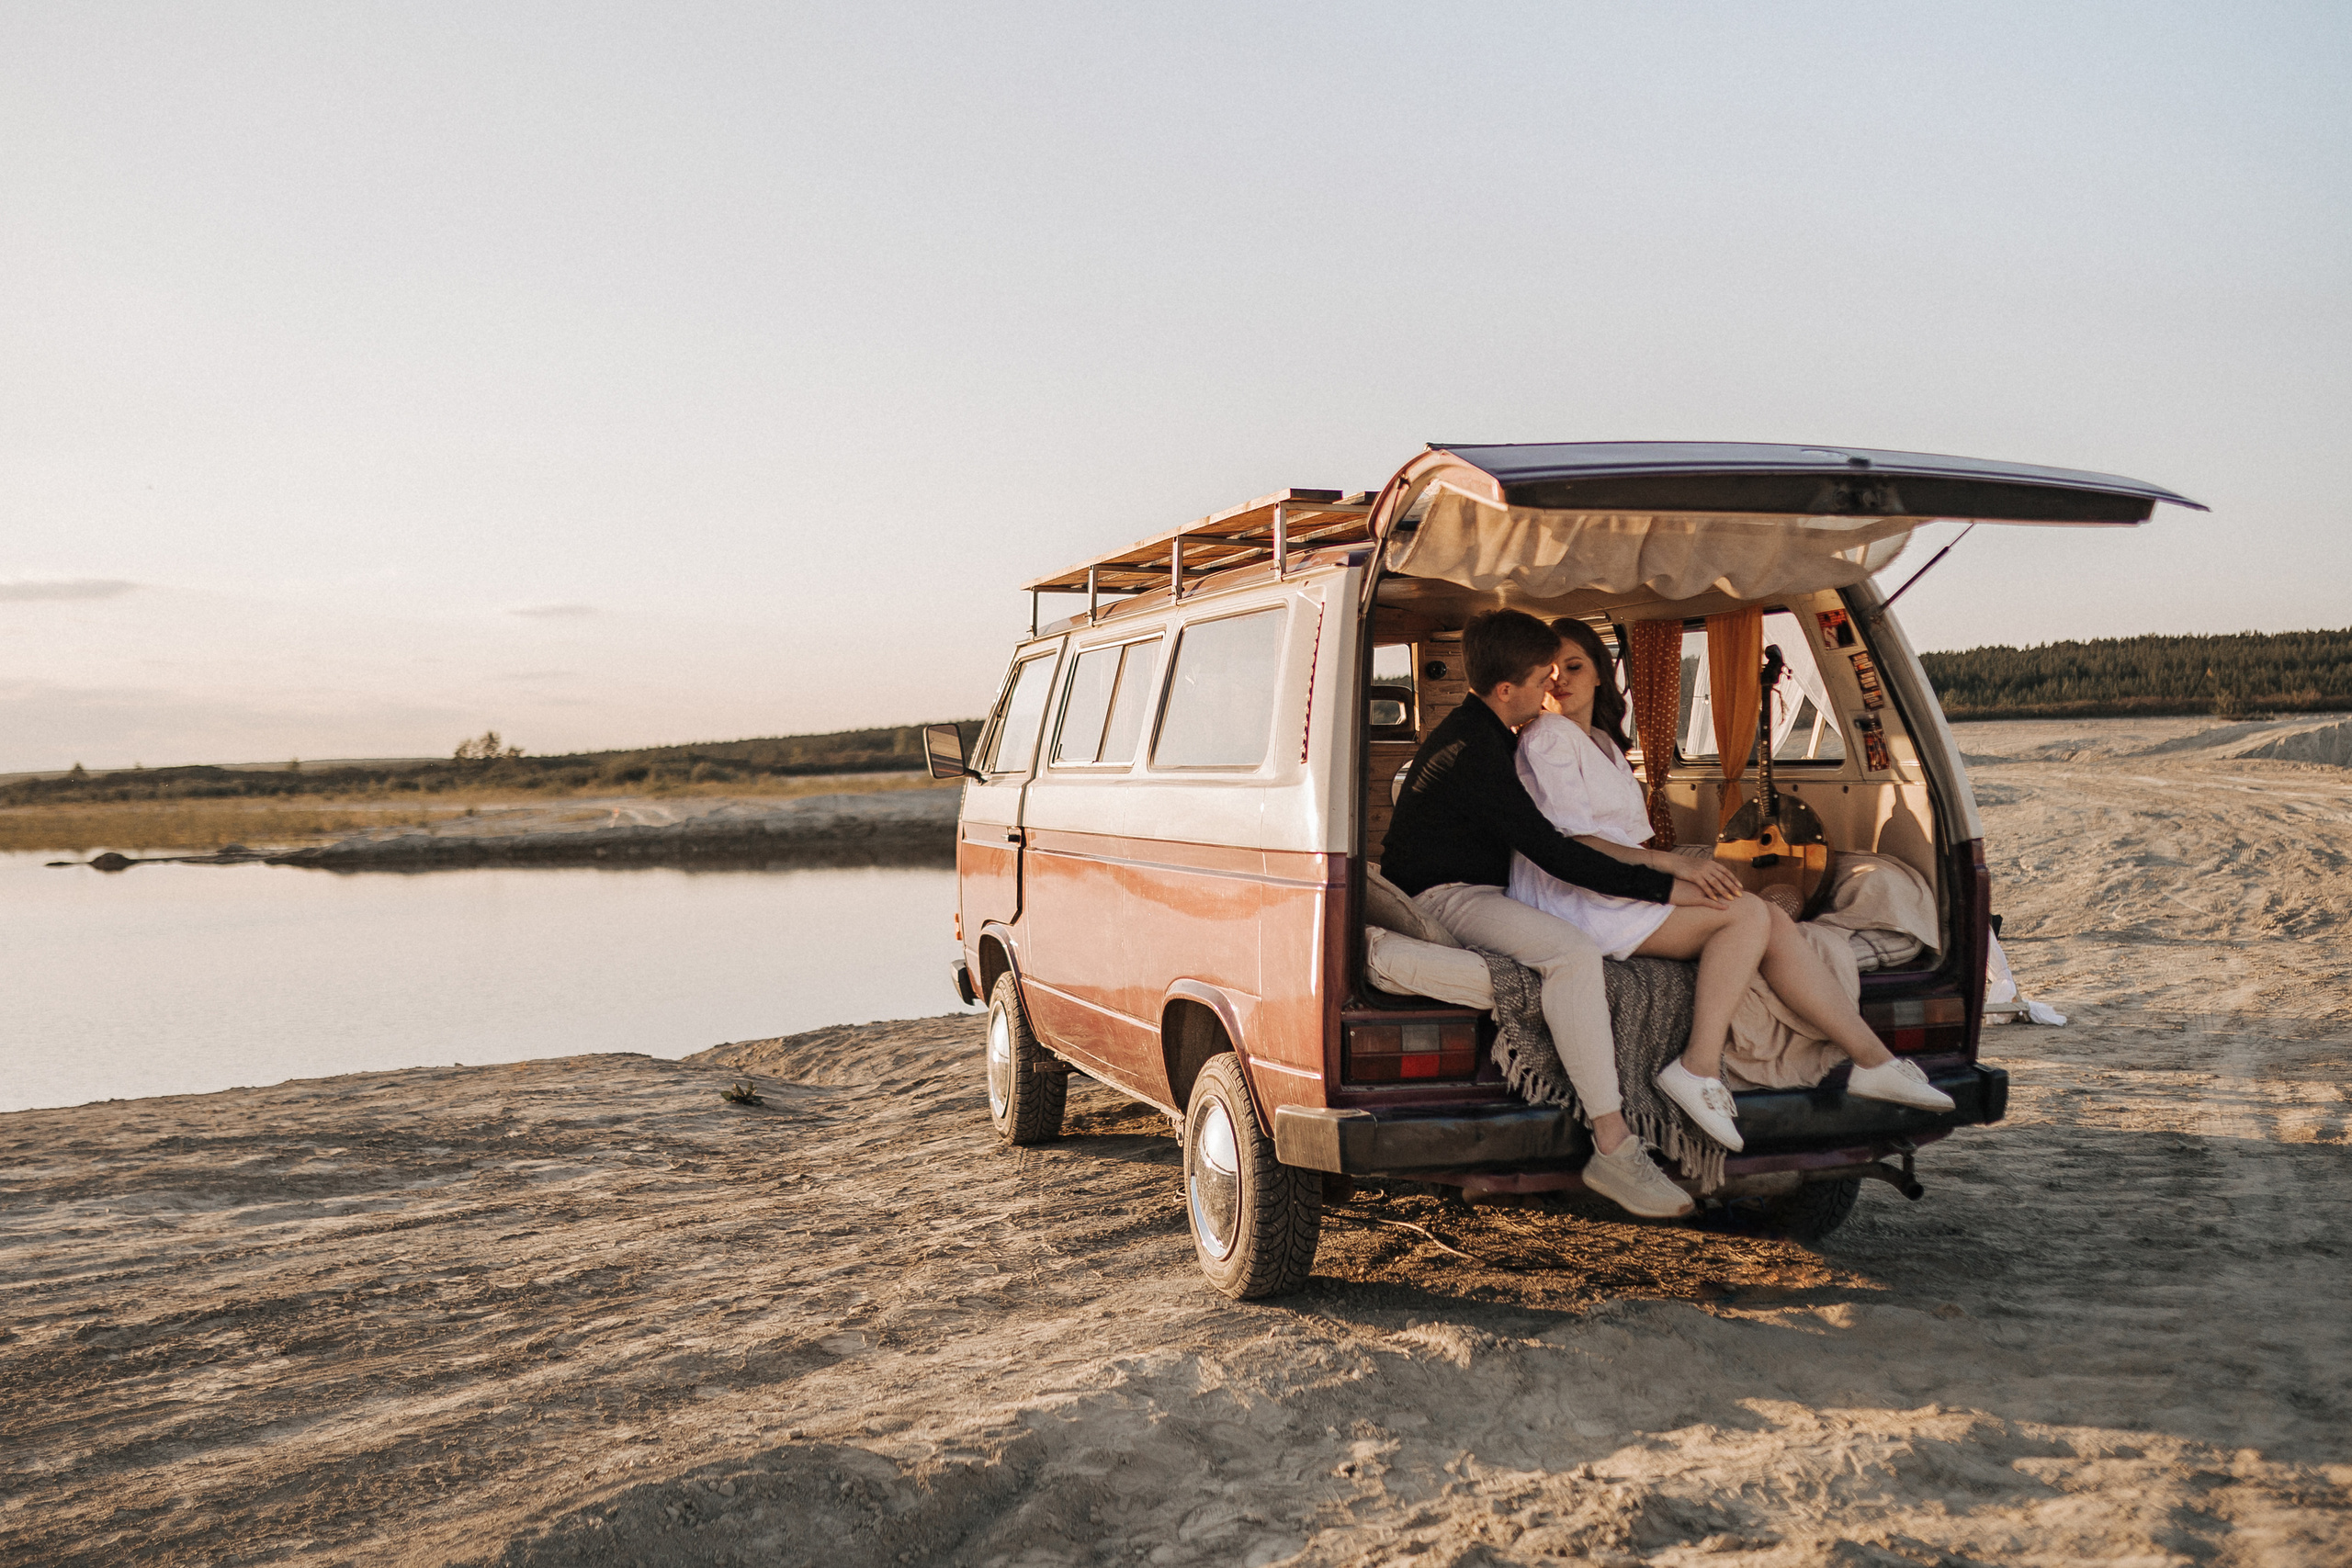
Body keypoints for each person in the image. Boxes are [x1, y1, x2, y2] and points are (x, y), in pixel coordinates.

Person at [1508, 617, 1956, 1152]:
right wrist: (1672, 868)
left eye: (1574, 666)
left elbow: (1620, 840)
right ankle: (1701, 1066)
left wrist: (1667, 867)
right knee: (1746, 914)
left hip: (1615, 882)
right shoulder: (1548, 738)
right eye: (1550, 671)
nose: (1560, 679)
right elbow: (1573, 845)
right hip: (1573, 895)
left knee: (1757, 911)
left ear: (1601, 674)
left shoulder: (1601, 742)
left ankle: (1872, 1060)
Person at [1380, 608, 1733, 1220]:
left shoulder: (1488, 732)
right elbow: (1556, 853)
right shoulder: (1474, 750)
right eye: (1544, 676)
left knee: (1575, 941)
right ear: (1506, 689)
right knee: (1572, 953)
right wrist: (1664, 886)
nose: (1552, 687)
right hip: (1446, 894)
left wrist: (1661, 875)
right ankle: (1613, 1143)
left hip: (1474, 885)